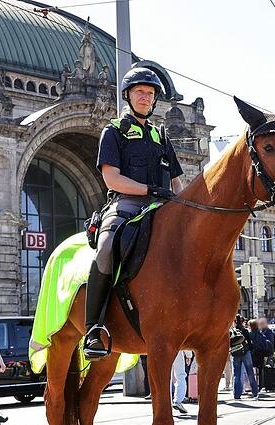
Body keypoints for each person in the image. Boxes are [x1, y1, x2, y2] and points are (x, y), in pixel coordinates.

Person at [83, 66, 184, 358]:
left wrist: (183, 204)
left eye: (150, 93)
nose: (145, 97)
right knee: (106, 247)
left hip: (164, 207)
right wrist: (149, 191)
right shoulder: (113, 132)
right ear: (128, 95)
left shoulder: (161, 136)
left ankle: (221, 324)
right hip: (127, 205)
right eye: (140, 92)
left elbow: (178, 181)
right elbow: (111, 178)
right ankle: (93, 329)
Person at [230, 316, 259, 400]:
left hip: (235, 354)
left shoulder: (230, 332)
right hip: (246, 353)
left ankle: (237, 395)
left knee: (237, 375)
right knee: (250, 373)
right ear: (242, 322)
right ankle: (255, 393)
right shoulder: (245, 331)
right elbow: (250, 343)